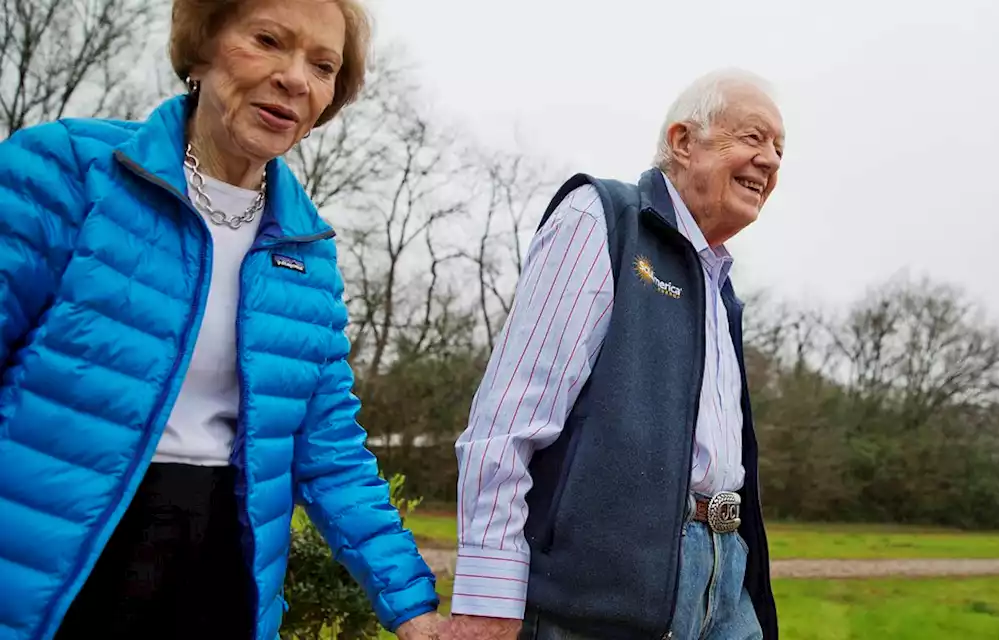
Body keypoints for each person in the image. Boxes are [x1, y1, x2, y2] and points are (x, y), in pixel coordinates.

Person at [0, 1, 442, 638]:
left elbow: (329, 453)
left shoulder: (305, 251)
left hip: (219, 572)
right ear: (202, 45)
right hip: (57, 564)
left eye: (324, 66)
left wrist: (415, 611)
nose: (296, 78)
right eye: (268, 40)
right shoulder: (66, 171)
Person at [447, 69, 786, 640]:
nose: (772, 161)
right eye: (753, 138)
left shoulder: (722, 288)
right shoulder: (601, 217)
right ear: (683, 141)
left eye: (779, 149)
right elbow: (505, 426)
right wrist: (489, 598)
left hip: (726, 587)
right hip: (602, 598)